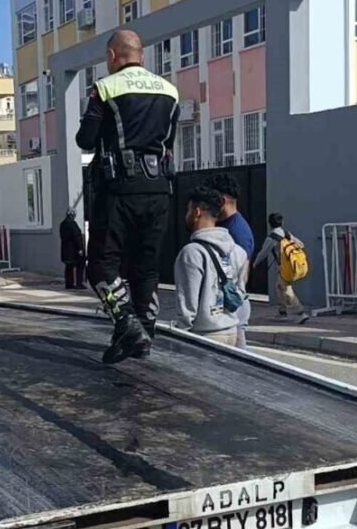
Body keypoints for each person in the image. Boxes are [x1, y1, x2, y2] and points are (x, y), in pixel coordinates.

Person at [76, 29, 180, 364]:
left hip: (119, 190)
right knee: (145, 267)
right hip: (159, 189)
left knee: (100, 265)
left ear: (112, 56)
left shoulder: (106, 88)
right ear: (141, 55)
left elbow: (85, 139)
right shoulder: (169, 90)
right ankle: (143, 336)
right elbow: (168, 143)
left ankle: (127, 323)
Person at [174, 187, 248, 346]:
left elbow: (187, 304)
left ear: (197, 212)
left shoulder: (192, 253)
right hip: (231, 332)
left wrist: (180, 335)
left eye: (188, 210)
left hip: (204, 335)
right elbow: (240, 292)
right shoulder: (238, 251)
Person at [206, 173, 254, 347]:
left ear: (223, 200)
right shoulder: (226, 225)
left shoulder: (237, 231)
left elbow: (243, 273)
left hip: (232, 306)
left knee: (237, 357)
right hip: (228, 305)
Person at [254, 213, 309, 322]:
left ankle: (300, 313)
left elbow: (263, 253)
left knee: (286, 288)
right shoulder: (286, 233)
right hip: (292, 265)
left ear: (269, 224)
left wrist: (255, 263)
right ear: (282, 222)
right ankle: (282, 311)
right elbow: (301, 244)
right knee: (279, 286)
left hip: (283, 267)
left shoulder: (271, 238)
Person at [59, 209, 87, 289]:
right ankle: (79, 283)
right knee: (80, 265)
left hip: (65, 250)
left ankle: (69, 284)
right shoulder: (72, 224)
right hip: (74, 250)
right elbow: (76, 236)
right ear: (72, 215)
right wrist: (80, 248)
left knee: (69, 267)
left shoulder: (62, 224)